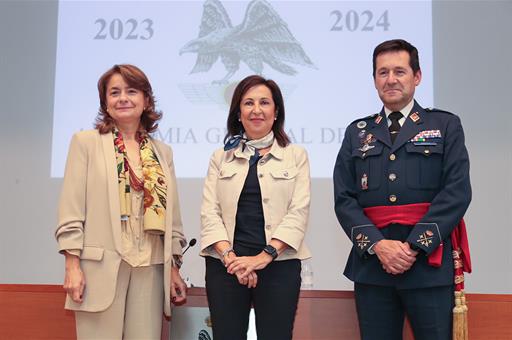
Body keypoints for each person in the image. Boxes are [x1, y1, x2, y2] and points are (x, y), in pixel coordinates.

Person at [333, 39, 472, 340]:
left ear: (417, 77)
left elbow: (457, 192)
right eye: (383, 73)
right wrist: (379, 246)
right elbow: (344, 199)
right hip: (372, 266)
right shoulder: (357, 132)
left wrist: (413, 247)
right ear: (374, 80)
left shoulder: (445, 125)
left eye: (399, 71)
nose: (391, 79)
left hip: (427, 265)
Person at [55, 64, 187, 339]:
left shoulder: (162, 152)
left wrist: (173, 267)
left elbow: (172, 219)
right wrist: (72, 265)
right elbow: (71, 210)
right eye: (114, 92)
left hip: (150, 268)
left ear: (146, 100)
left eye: (131, 91)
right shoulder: (86, 143)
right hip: (100, 269)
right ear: (105, 101)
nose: (123, 98)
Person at [200, 75, 311, 340]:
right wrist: (233, 261)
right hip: (225, 266)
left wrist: (262, 258)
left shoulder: (296, 156)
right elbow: (209, 212)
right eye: (248, 103)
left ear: (276, 112)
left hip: (278, 265)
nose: (256, 110)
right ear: (238, 113)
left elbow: (298, 212)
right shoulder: (220, 157)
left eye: (264, 102)